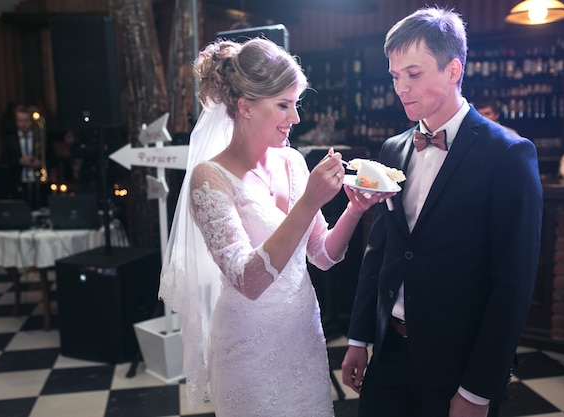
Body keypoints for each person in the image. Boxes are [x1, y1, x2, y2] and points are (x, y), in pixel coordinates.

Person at [158, 38, 393, 416]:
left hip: (303, 335)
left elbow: (322, 255)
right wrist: (310, 201)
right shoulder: (210, 178)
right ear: (245, 107)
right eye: (283, 105)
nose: (296, 118)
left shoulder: (293, 163)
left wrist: (352, 211)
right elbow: (248, 280)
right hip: (247, 347)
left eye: (295, 104)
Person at [341, 7, 543, 417]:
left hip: (459, 361)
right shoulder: (393, 149)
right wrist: (359, 339)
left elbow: (513, 284)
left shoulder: (507, 154)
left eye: (413, 74)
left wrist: (478, 390)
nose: (401, 87)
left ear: (453, 71)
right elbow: (379, 252)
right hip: (390, 351)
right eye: (395, 76)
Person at [0, 104, 56, 208]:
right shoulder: (9, 141)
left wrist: (40, 163)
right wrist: (19, 161)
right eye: (20, 121)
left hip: (39, 184)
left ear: (31, 121)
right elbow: (3, 163)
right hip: (19, 185)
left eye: (26, 120)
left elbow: (53, 160)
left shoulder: (42, 138)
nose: (23, 124)